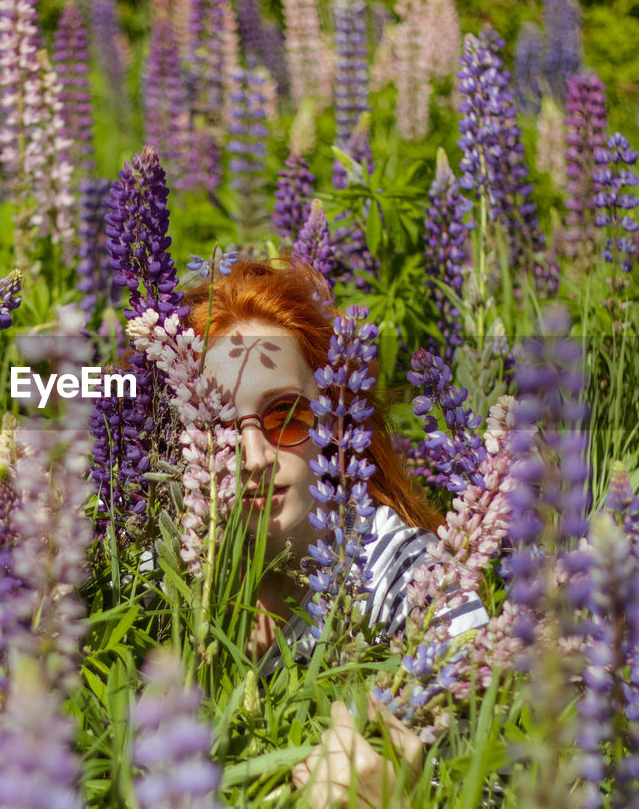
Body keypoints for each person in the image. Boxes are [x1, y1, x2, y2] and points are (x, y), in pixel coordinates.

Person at [182, 259, 490, 668]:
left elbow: (477, 703)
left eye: (286, 417)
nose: (253, 459)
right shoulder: (172, 570)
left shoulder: (404, 571)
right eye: (217, 427)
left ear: (332, 416)